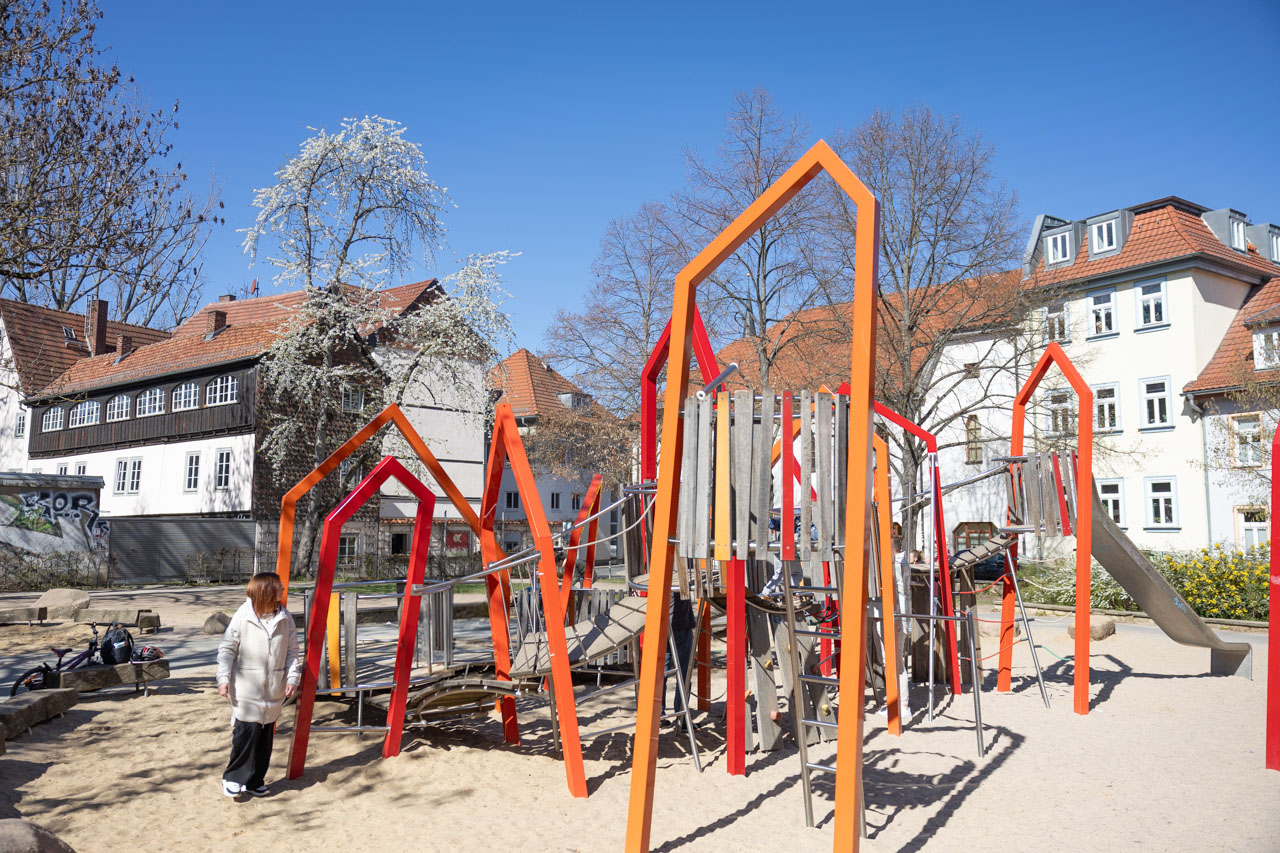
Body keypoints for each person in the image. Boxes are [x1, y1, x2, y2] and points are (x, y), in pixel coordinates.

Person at [216, 572, 301, 798]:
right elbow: (227, 649)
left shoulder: (285, 617)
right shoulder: (243, 615)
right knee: (246, 733)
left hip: (274, 687)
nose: (282, 590)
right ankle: (233, 778)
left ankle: (255, 780)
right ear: (266, 591)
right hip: (246, 687)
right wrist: (223, 678)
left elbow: (292, 651)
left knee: (265, 737)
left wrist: (292, 678)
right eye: (279, 587)